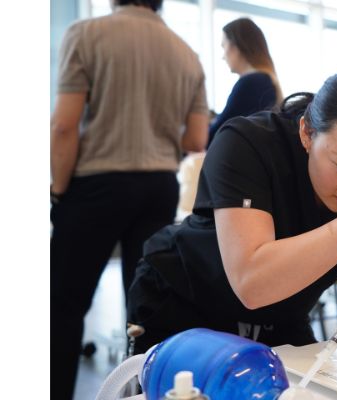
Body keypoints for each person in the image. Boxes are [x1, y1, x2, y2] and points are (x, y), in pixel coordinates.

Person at [126, 68, 337, 355]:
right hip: (184, 305)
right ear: (307, 133)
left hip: (281, 319)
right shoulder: (247, 145)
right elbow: (252, 284)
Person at [50, 0, 209, 397]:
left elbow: (64, 125)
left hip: (96, 185)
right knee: (143, 311)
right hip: (157, 186)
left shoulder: (85, 35)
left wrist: (58, 190)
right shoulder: (186, 54)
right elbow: (195, 139)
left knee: (64, 308)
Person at [208, 17, 282, 148]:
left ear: (235, 46)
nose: (223, 56)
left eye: (223, 46)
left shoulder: (251, 82)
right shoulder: (264, 80)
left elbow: (216, 133)